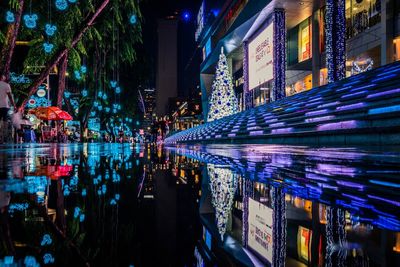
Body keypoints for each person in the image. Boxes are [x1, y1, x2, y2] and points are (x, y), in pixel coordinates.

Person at [0, 75, 16, 144]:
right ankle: (3, 138)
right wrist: (14, 105)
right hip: (4, 106)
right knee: (5, 122)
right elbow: (10, 96)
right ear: (2, 77)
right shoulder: (6, 85)